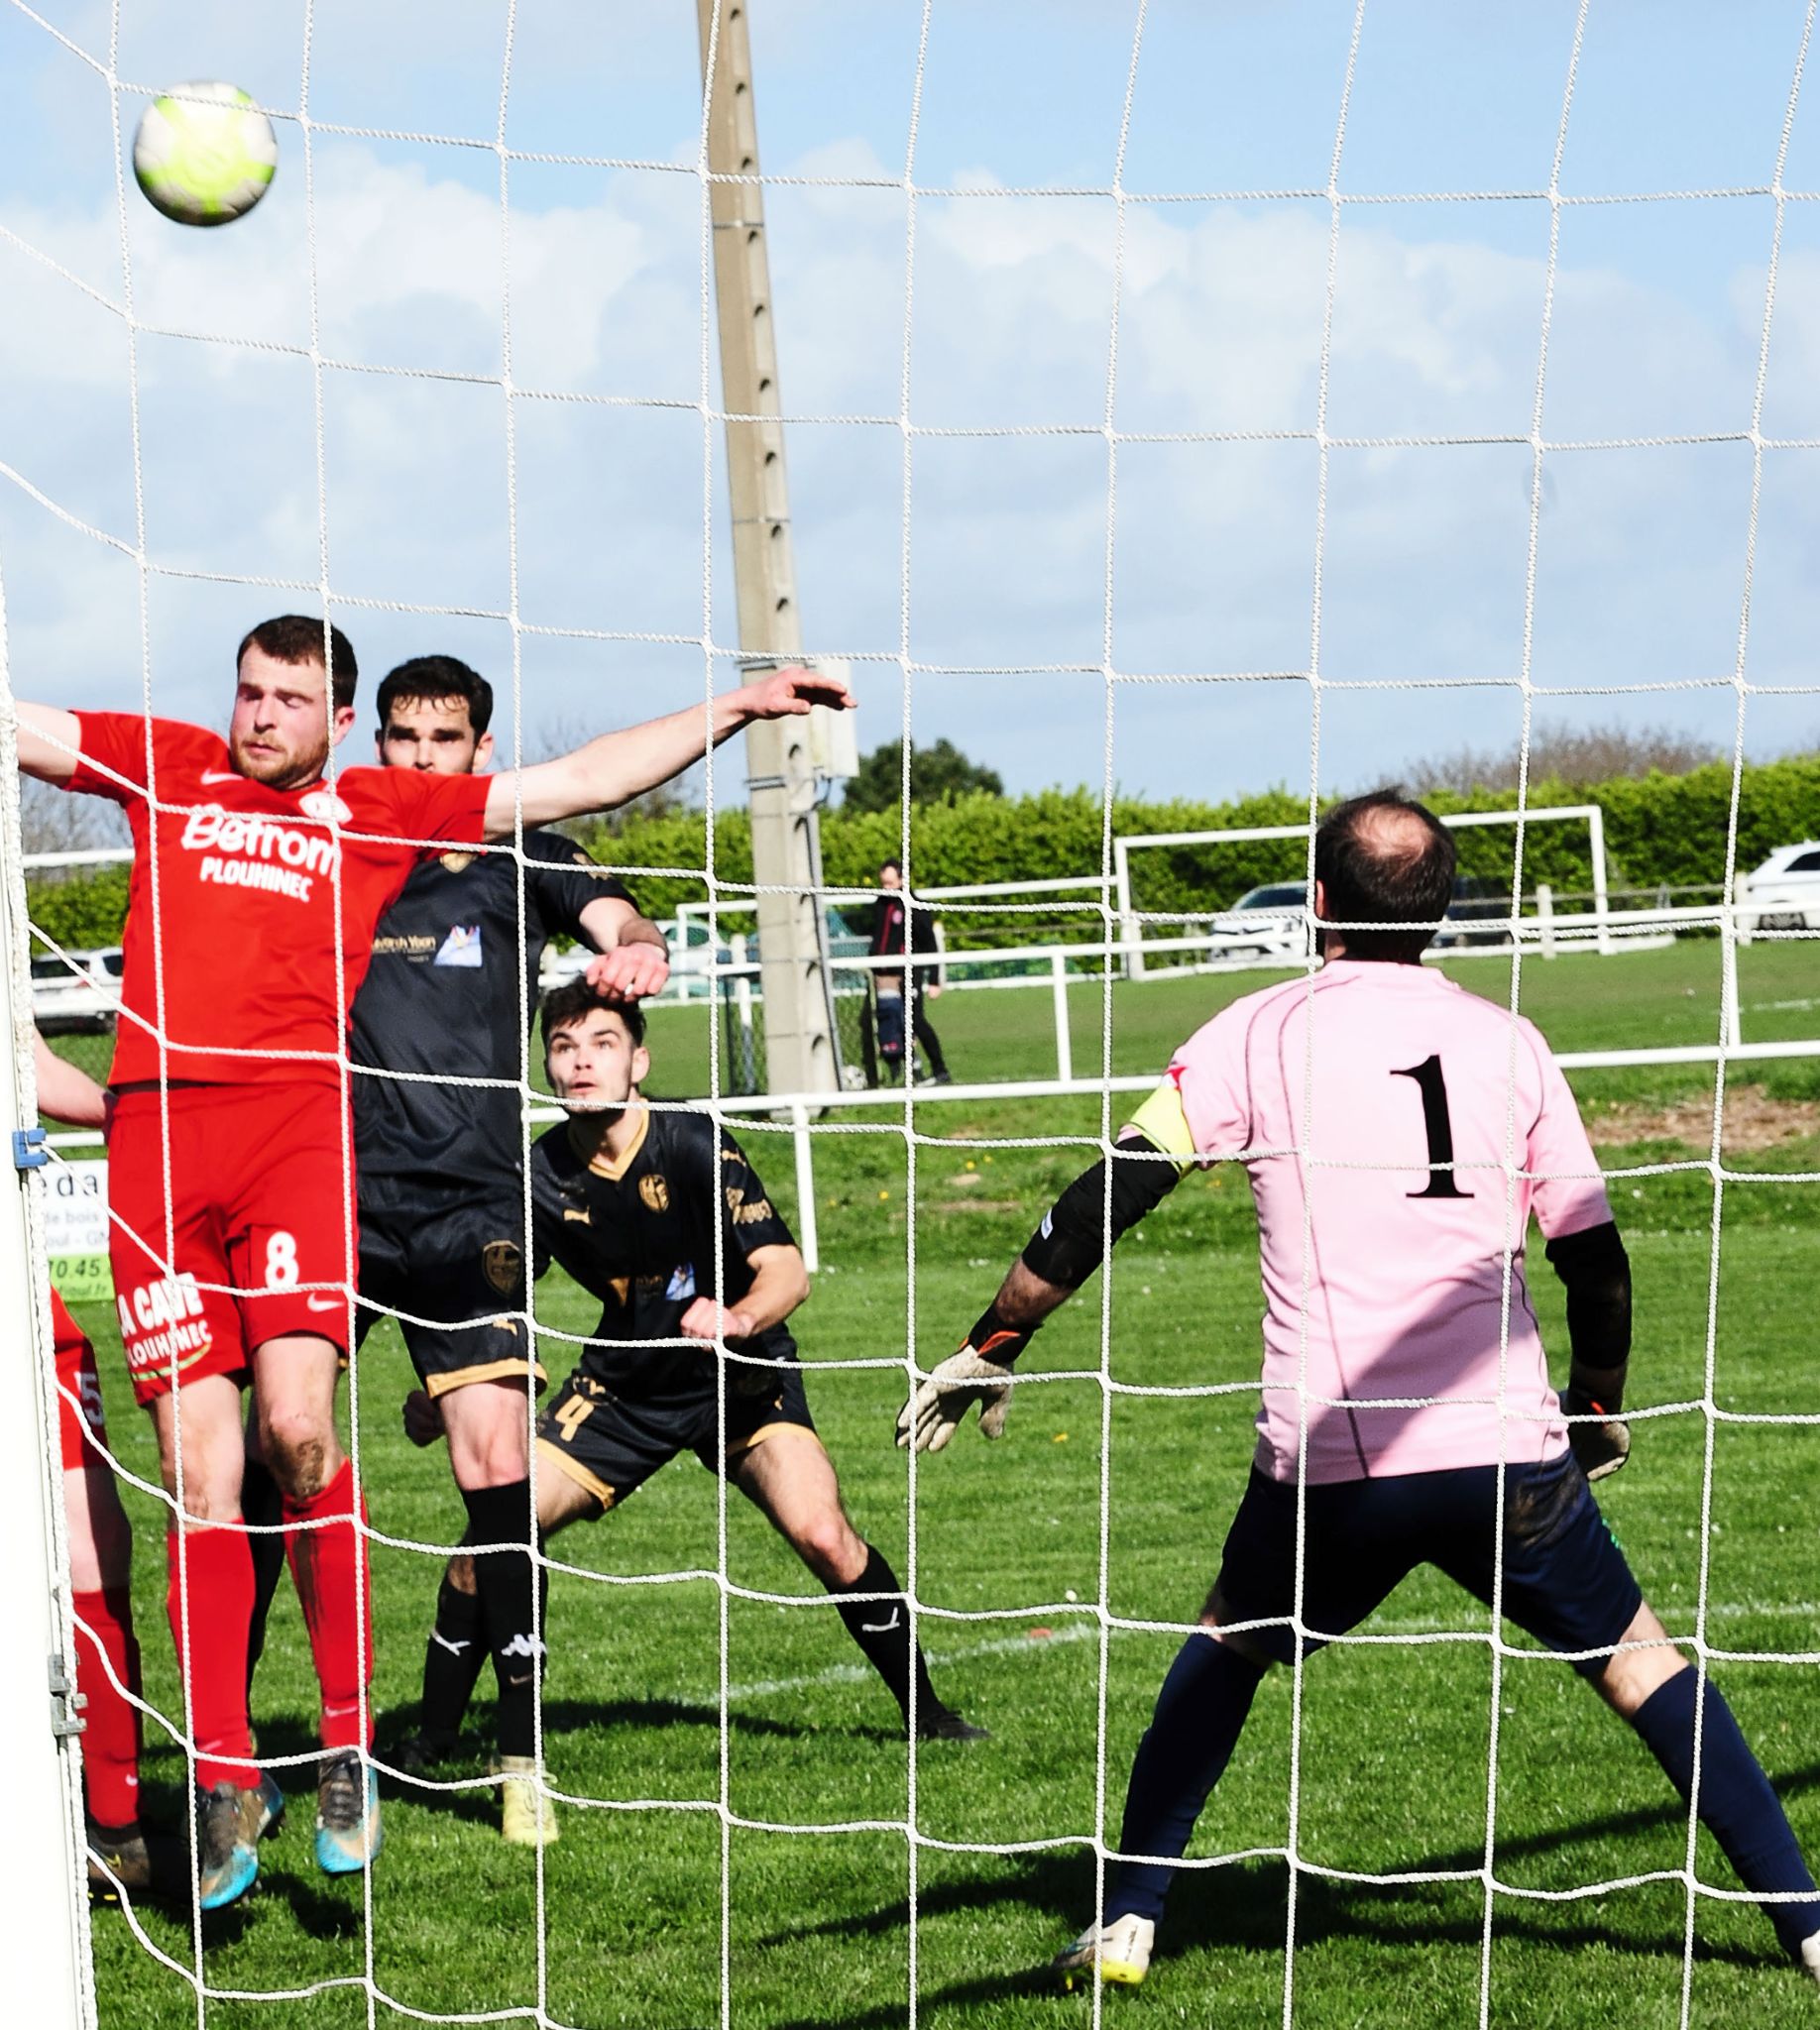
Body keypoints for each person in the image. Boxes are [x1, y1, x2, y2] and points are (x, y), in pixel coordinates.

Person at [903, 789, 1820, 1991]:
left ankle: (1129, 1916)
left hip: (1332, 1459)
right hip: (1507, 1449)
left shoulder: (1258, 1031)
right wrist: (1597, 1400)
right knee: (1642, 1663)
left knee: (1227, 1645)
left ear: (1317, 903)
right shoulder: (1510, 1042)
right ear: (1440, 913)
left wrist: (996, 1337)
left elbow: (1105, 1196)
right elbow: (1592, 1256)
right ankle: (1808, 1925)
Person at [16, 615, 850, 1909]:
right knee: (199, 1466)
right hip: (160, 1160)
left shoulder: (374, 807)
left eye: (291, 698)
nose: (261, 715)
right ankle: (230, 1772)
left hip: (306, 1151)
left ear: (335, 719)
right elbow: (26, 727)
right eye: (249, 690)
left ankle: (350, 1744)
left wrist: (739, 710)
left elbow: (578, 786)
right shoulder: (166, 766)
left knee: (300, 1432)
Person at [402, 980, 984, 1841]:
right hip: (624, 1390)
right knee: (494, 1540)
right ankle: (434, 1742)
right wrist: (447, 1388)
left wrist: (740, 1317)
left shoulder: (693, 1142)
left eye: (602, 1043)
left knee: (825, 1537)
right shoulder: (540, 1171)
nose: (581, 1061)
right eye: (564, 1048)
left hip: (738, 1382)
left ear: (638, 1061)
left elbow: (787, 1269)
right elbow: (500, 1294)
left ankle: (927, 1712)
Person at [244, 653, 669, 1824]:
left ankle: (520, 1760)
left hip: (471, 1209)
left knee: (499, 1473)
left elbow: (609, 906)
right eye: (402, 737)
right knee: (272, 1457)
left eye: (445, 740)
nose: (422, 759)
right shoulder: (330, 843)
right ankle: (232, 1756)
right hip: (328, 1195)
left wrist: (634, 943)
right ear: (372, 741)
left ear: (481, 750)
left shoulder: (514, 852)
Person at [34, 1036, 153, 1898]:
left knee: (96, 1554)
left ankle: (116, 1828)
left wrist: (151, 1116)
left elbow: (27, 1068)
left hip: (31, 1313)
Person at [864, 857, 949, 1086]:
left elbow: (930, 944)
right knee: (891, 1021)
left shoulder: (915, 906)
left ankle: (940, 1070)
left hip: (910, 972)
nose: (886, 888)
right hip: (884, 974)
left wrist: (934, 979)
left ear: (902, 880)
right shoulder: (881, 904)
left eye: (890, 883)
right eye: (884, 883)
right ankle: (911, 1070)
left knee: (915, 1021)